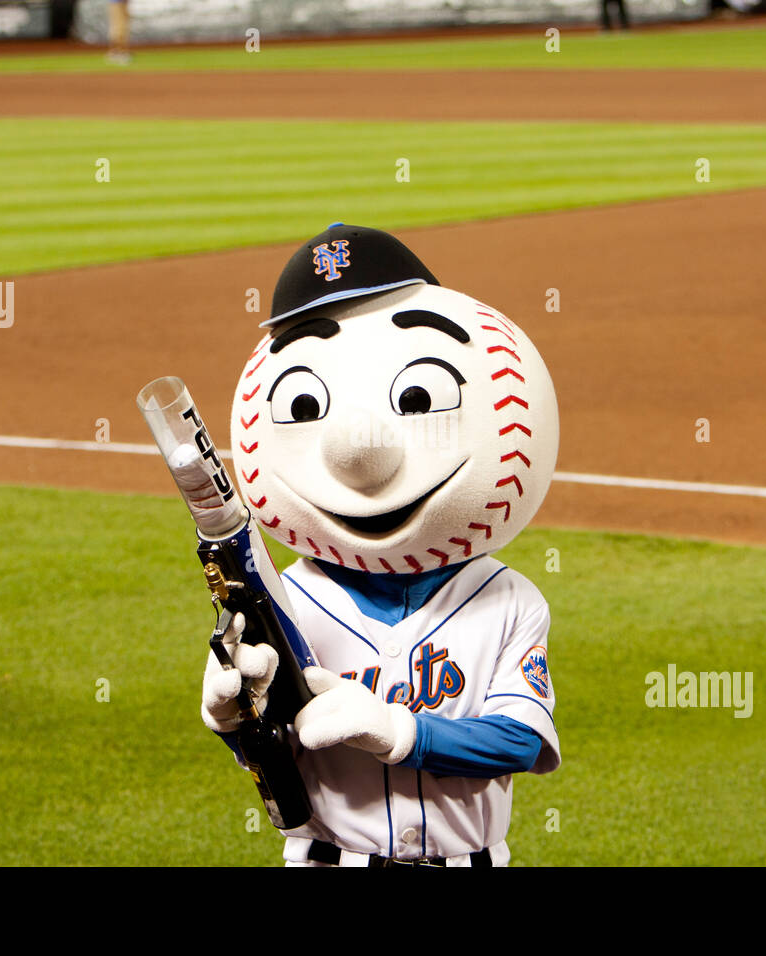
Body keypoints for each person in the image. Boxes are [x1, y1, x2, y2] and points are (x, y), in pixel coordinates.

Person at [201, 224, 563, 866]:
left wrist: (399, 731)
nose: (355, 448)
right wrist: (238, 720)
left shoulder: (508, 600)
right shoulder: (286, 601)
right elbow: (275, 757)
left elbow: (522, 743)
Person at [106, 0, 131, 65]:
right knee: (120, 27)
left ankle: (115, 52)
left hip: (119, 3)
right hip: (117, 3)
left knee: (119, 26)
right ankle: (120, 52)